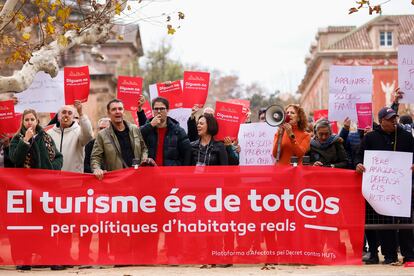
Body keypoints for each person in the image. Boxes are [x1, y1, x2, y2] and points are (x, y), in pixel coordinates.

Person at [355, 107, 414, 265]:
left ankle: (409, 255)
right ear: (381, 121)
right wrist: (358, 164)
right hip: (381, 190)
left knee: (405, 221)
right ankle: (389, 256)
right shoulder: (370, 138)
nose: (393, 121)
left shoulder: (407, 137)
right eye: (389, 118)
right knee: (384, 220)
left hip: (402, 188)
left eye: (394, 118)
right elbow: (358, 156)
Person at [8, 109, 63, 271]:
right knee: (27, 226)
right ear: (23, 123)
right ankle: (25, 260)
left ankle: (52, 259)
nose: (29, 122)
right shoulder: (17, 139)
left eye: (32, 119)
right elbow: (15, 159)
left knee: (48, 225)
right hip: (26, 190)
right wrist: (26, 141)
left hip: (46, 189)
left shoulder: (46, 137)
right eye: (26, 120)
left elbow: (59, 157)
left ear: (37, 121)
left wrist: (52, 169)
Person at [91, 99, 149, 179]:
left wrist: (143, 161)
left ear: (123, 112)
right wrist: (96, 169)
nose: (117, 111)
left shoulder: (134, 129)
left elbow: (144, 148)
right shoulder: (102, 135)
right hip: (117, 180)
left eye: (120, 109)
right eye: (114, 109)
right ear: (108, 113)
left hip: (137, 177)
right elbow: (95, 157)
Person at [140, 97, 191, 166]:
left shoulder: (178, 131)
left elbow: (187, 154)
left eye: (162, 108)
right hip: (150, 172)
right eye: (156, 109)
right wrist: (151, 125)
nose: (158, 111)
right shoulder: (148, 129)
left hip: (170, 174)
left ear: (167, 110)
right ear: (152, 110)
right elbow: (136, 137)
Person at [47, 100, 93, 172]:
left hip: (72, 178)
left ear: (73, 117)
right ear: (58, 116)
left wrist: (81, 114)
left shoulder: (79, 132)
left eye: (70, 113)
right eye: (64, 112)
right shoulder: (49, 133)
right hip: (53, 178)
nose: (66, 115)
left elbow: (88, 135)